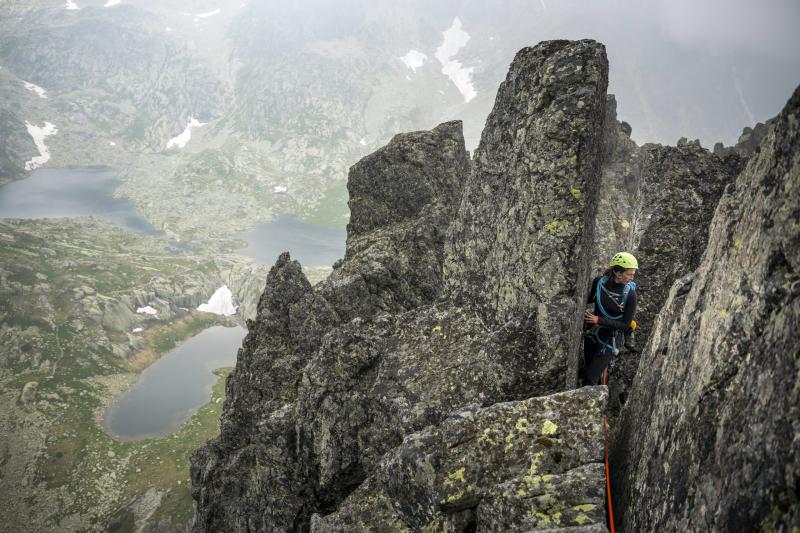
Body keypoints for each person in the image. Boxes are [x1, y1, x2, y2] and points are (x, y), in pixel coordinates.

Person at [582, 252, 638, 386]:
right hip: (592, 334)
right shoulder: (598, 283)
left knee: (590, 379)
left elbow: (625, 325)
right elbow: (589, 300)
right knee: (587, 371)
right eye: (629, 274)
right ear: (617, 272)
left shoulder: (630, 294)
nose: (632, 278)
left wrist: (598, 320)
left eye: (633, 274)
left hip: (610, 339)